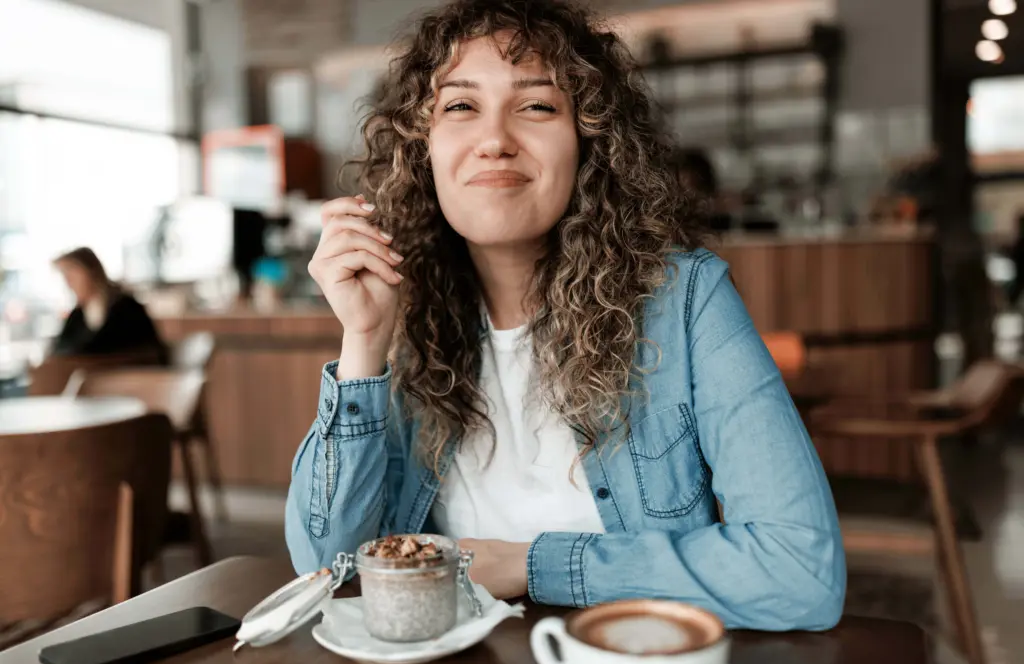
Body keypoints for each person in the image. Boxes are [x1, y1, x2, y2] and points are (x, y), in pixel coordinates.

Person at [287, 0, 845, 631]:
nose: (495, 140)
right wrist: (363, 344)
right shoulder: (402, 316)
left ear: (590, 141)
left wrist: (535, 565)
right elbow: (326, 571)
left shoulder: (685, 302)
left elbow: (801, 572)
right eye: (461, 106)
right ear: (424, 150)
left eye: (536, 105)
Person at [51, 247, 167, 361]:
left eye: (72, 275)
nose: (69, 283)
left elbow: (144, 353)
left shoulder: (126, 309)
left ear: (91, 272)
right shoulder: (77, 315)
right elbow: (59, 352)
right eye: (65, 277)